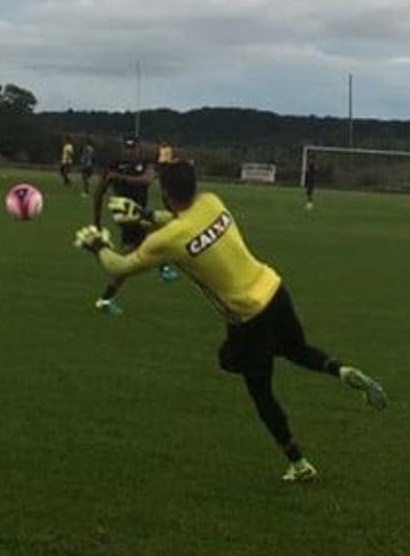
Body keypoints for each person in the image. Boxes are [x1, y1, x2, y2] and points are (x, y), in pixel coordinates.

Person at [74, 159, 386, 482]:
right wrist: (146, 216)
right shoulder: (212, 202)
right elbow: (184, 223)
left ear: (165, 192)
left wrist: (97, 244)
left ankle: (300, 464)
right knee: (297, 349)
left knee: (254, 385)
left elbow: (119, 267)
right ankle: (343, 370)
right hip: (274, 288)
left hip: (248, 316)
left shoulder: (166, 241)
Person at [90, 136, 174, 315]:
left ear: (138, 149)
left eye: (133, 148)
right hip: (125, 216)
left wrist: (119, 177)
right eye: (127, 149)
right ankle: (164, 267)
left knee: (126, 262)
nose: (130, 152)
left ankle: (105, 299)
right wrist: (96, 220)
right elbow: (99, 193)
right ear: (123, 150)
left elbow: (146, 180)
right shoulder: (113, 166)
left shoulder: (145, 165)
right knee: (158, 232)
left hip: (139, 213)